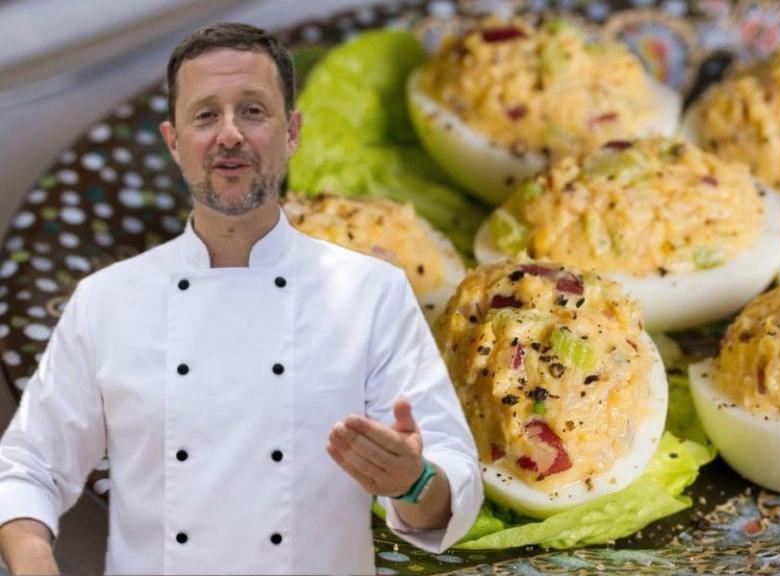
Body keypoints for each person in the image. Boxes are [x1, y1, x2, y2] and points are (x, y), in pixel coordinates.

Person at [0, 22, 482, 575]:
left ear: (292, 132)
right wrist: (34, 559)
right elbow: (28, 466)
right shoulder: (107, 300)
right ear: (173, 141)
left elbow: (454, 483)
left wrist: (413, 480)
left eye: (253, 111)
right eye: (206, 115)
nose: (230, 135)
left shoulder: (376, 292)